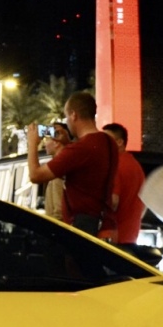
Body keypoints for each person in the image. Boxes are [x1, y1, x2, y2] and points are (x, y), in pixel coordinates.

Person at [26, 92, 117, 236]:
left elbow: (35, 176)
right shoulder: (108, 142)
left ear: (74, 115)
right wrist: (67, 143)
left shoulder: (80, 149)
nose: (67, 121)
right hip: (107, 225)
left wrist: (32, 143)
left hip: (85, 229)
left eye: (67, 116)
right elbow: (86, 169)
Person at [101, 123, 147, 244]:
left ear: (119, 142)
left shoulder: (115, 166)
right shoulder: (136, 167)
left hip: (113, 239)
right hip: (131, 237)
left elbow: (113, 202)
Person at [40, 122, 71, 222]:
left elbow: (59, 211)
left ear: (56, 142)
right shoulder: (64, 166)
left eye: (47, 139)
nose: (44, 144)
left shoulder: (59, 170)